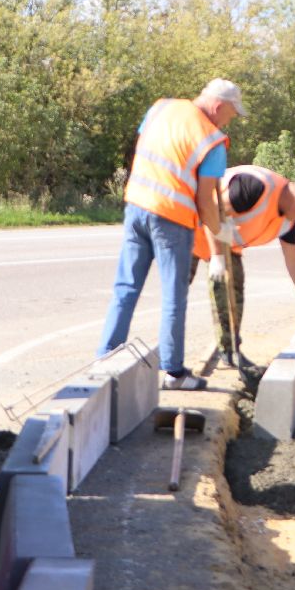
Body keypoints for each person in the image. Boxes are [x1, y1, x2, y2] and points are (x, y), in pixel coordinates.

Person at [98, 79, 246, 390]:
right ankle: (174, 372)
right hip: (172, 220)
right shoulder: (213, 140)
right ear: (218, 106)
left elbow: (148, 150)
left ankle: (105, 358)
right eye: (230, 114)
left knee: (126, 287)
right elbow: (206, 201)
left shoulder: (160, 108)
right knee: (173, 296)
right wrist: (220, 231)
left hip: (136, 206)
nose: (228, 121)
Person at [190, 166, 295, 370]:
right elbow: (211, 209)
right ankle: (171, 361)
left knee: (233, 288)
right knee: (176, 291)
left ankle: (230, 351)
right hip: (191, 231)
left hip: (223, 242)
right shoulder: (255, 187)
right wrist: (217, 256)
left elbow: (294, 260)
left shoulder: (287, 221)